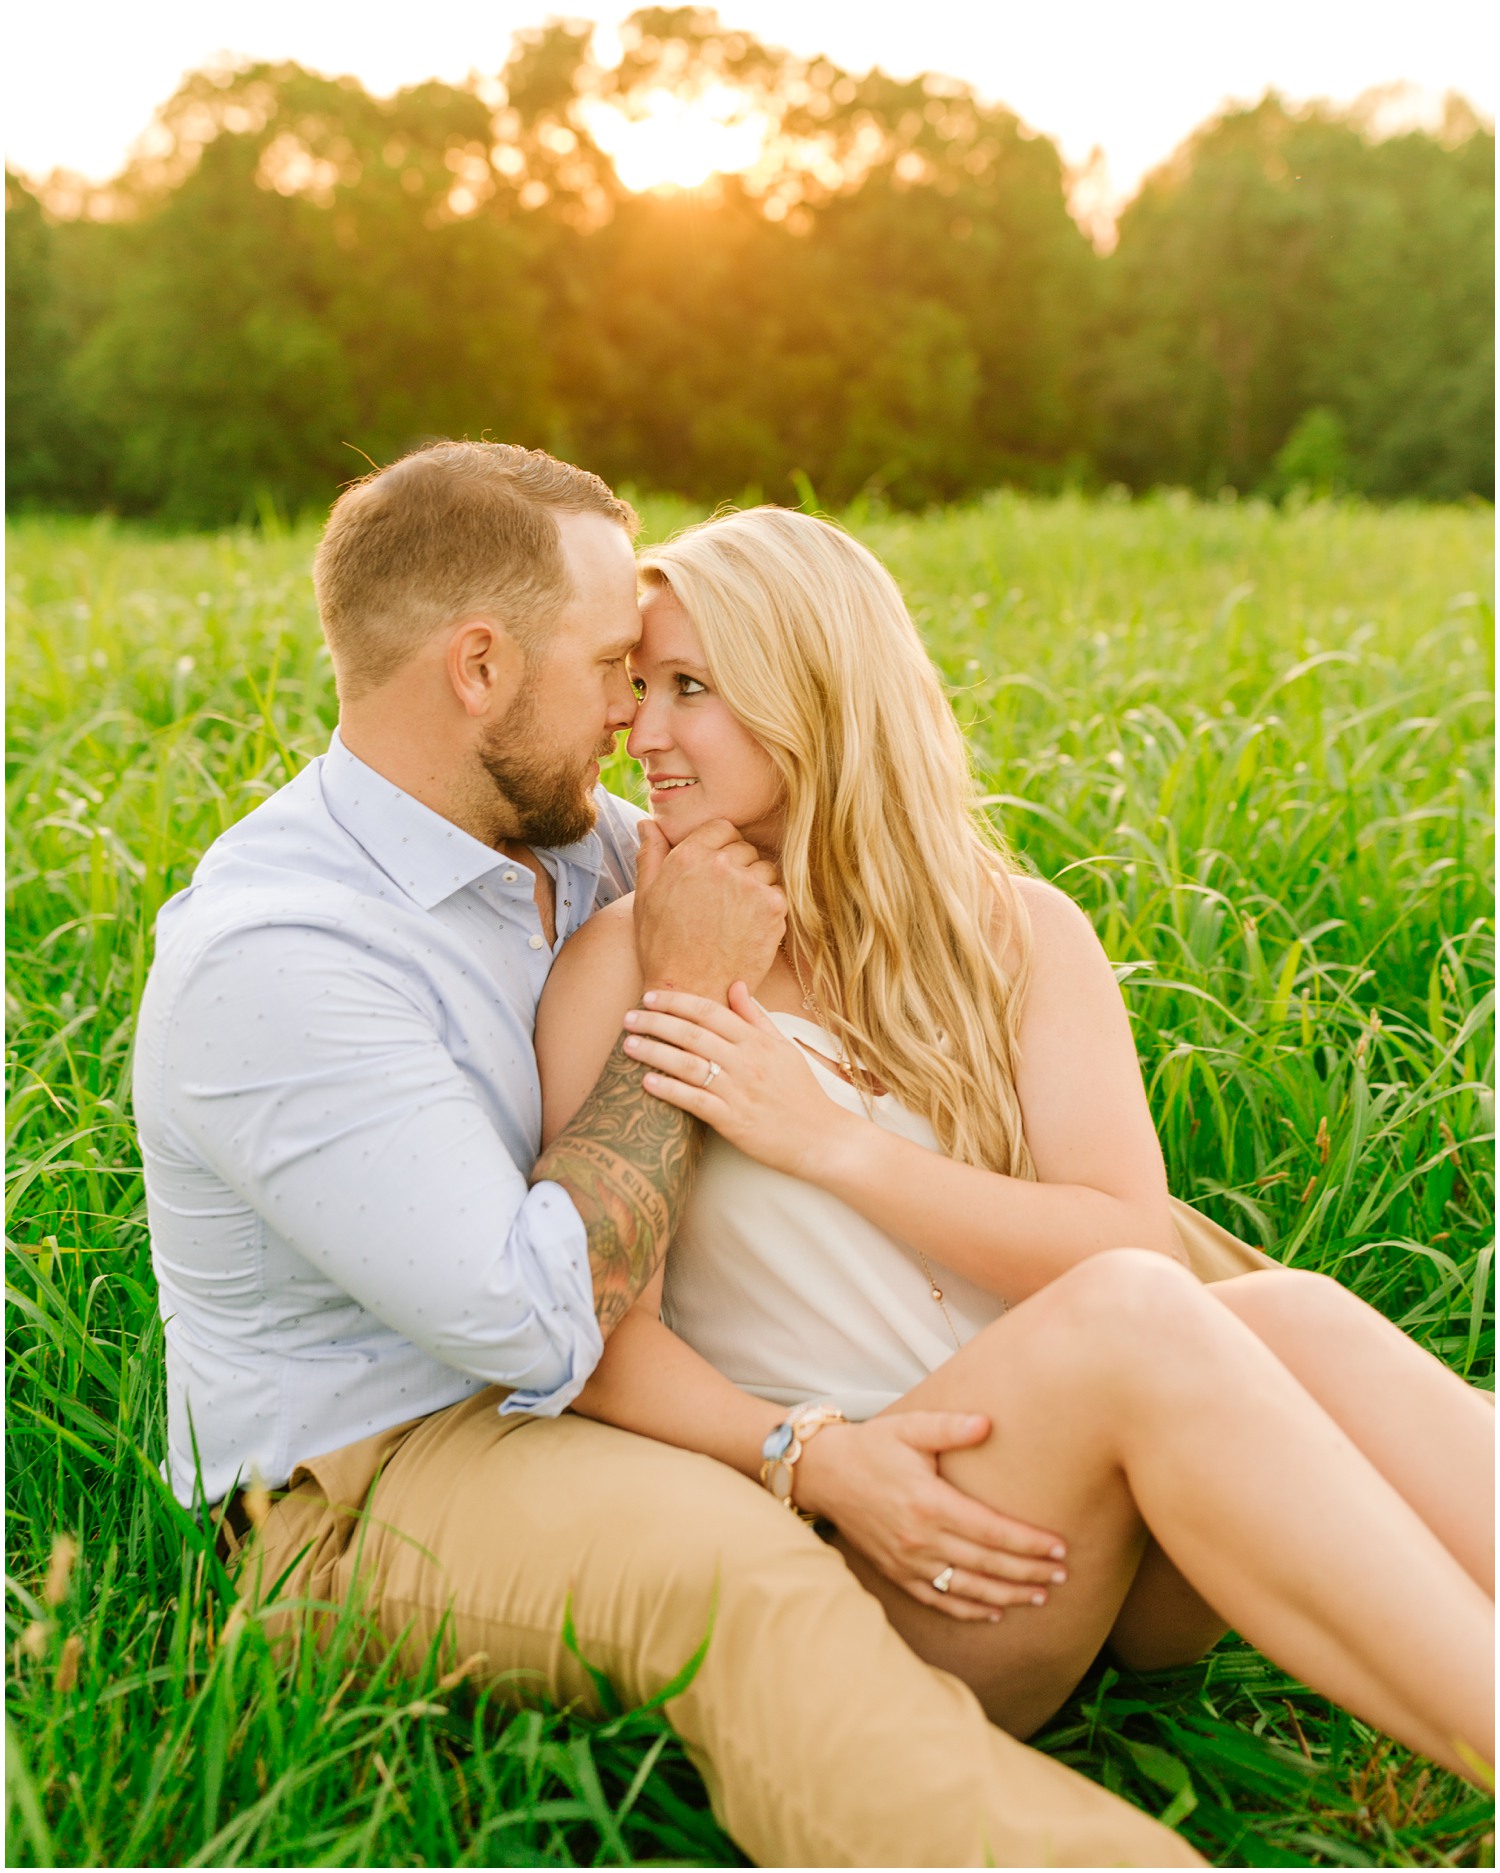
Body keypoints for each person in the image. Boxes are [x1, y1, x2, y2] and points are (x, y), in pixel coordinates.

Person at [133, 439, 1212, 1869]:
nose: (636, 716)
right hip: (385, 1463)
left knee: (1209, 1293)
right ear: (477, 669)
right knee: (732, 1572)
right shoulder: (278, 957)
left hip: (580, 1376)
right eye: (612, 669)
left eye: (663, 680)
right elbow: (531, 1325)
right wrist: (800, 1445)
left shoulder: (583, 838)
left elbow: (811, 836)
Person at [535, 504, 1494, 1785]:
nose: (642, 731)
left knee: (1297, 1314)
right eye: (640, 686)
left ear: (814, 693)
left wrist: (828, 1143)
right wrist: (813, 1454)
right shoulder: (625, 965)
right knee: (1138, 1316)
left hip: (1088, 1516)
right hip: (891, 1554)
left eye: (690, 687)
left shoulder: (1013, 930)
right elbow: (601, 1341)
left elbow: (1122, 1232)